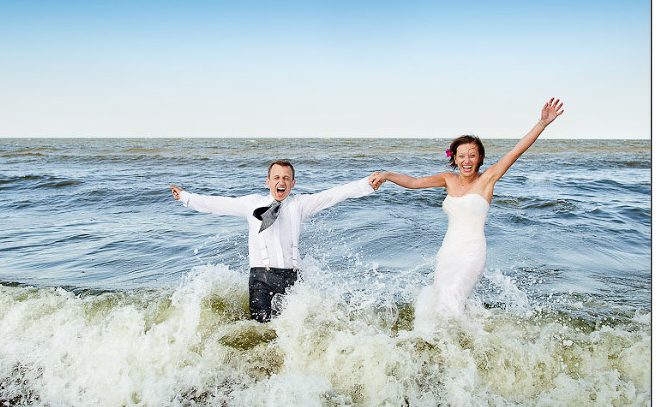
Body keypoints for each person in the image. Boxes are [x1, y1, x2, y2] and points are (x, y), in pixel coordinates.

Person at [370, 98, 565, 315]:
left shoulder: (487, 179)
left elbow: (515, 152)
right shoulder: (448, 179)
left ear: (480, 158)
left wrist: (542, 123)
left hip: (472, 253)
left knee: (451, 303)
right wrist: (386, 175)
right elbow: (415, 182)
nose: (467, 160)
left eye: (472, 155)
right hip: (448, 252)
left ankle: (461, 343)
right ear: (454, 158)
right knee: (440, 300)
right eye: (462, 156)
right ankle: (468, 335)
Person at [171, 160, 377, 322]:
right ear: (268, 181)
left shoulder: (300, 204)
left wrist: (365, 184)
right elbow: (218, 204)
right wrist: (186, 198)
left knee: (292, 331)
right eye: (277, 177)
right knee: (262, 331)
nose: (282, 181)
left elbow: (334, 194)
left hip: (293, 280)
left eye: (287, 178)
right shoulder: (252, 204)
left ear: (293, 183)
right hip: (261, 278)